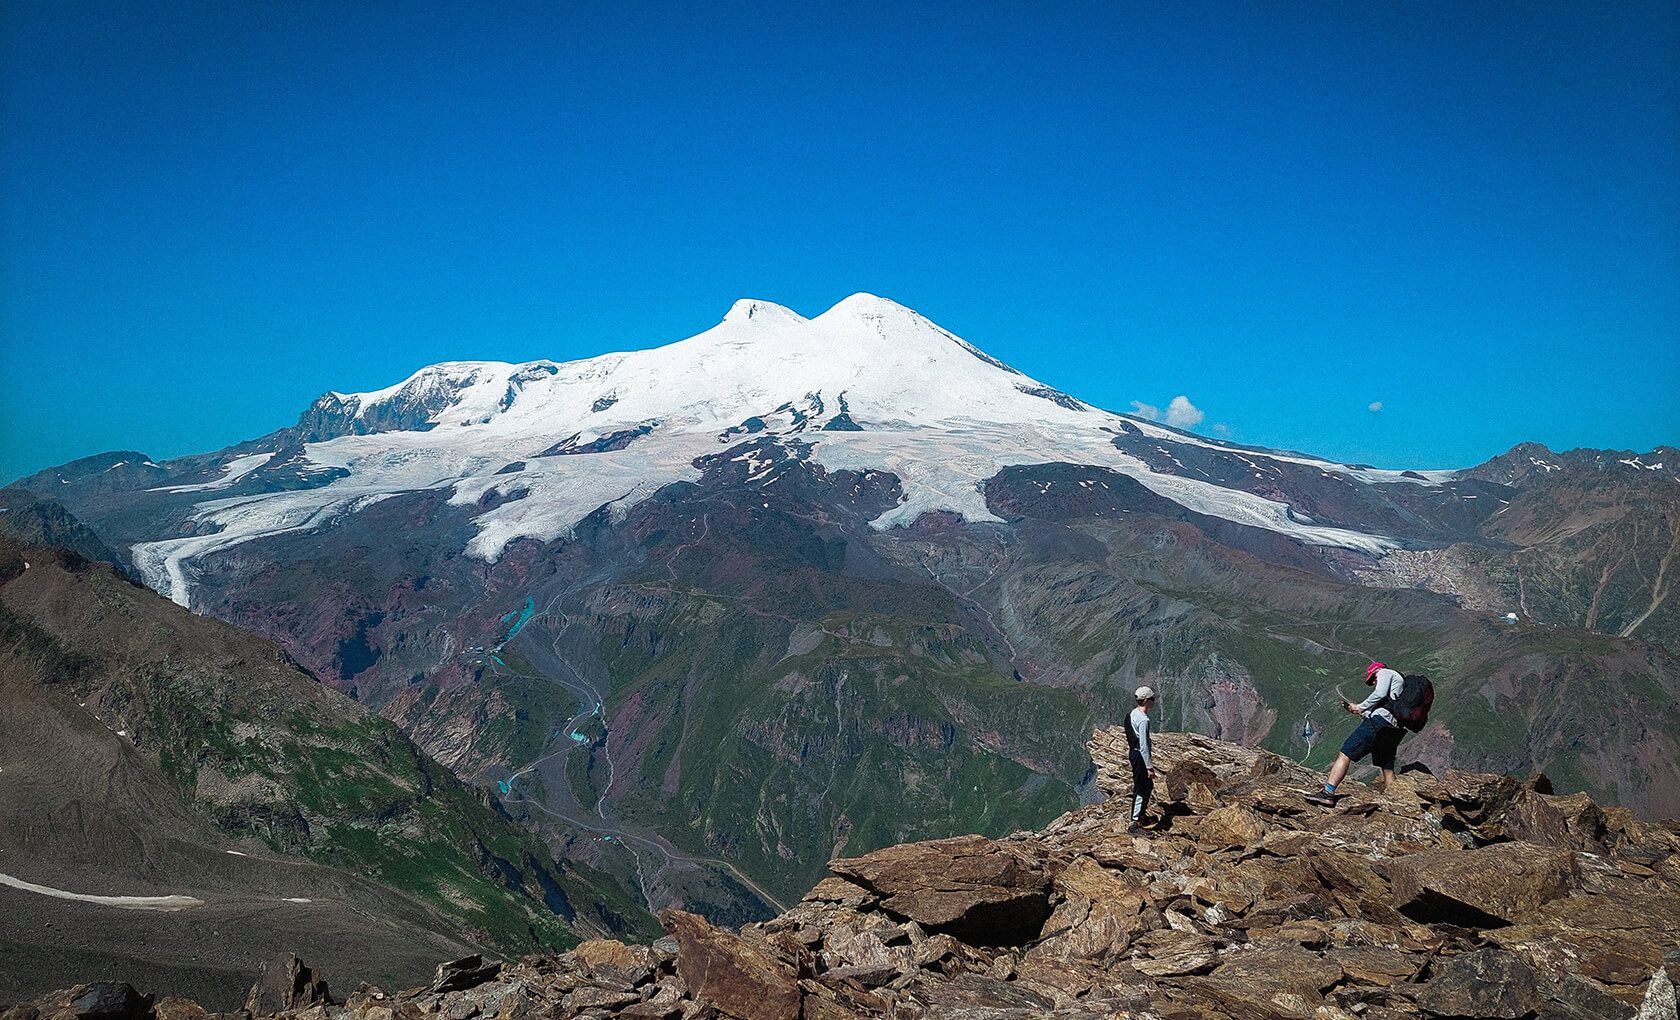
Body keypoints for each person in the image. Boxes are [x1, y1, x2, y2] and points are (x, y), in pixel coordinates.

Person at [1305, 663, 1407, 807]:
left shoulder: (1385, 672)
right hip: (1394, 728)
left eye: (1373, 678)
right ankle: (1398, 803)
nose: (1374, 682)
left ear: (1377, 670)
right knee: (1387, 766)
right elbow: (1386, 704)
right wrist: (1360, 711)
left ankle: (1328, 793)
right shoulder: (1400, 687)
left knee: (1345, 752)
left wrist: (1359, 707)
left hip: (1378, 722)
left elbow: (1380, 693)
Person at [1126, 685, 1158, 835]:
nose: (1154, 701)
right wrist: (1149, 767)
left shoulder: (1133, 713)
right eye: (1152, 699)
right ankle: (1135, 823)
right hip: (1140, 756)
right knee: (1142, 788)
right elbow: (1144, 746)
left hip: (1133, 753)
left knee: (1144, 786)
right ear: (1146, 700)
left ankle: (1140, 817)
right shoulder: (1144, 720)